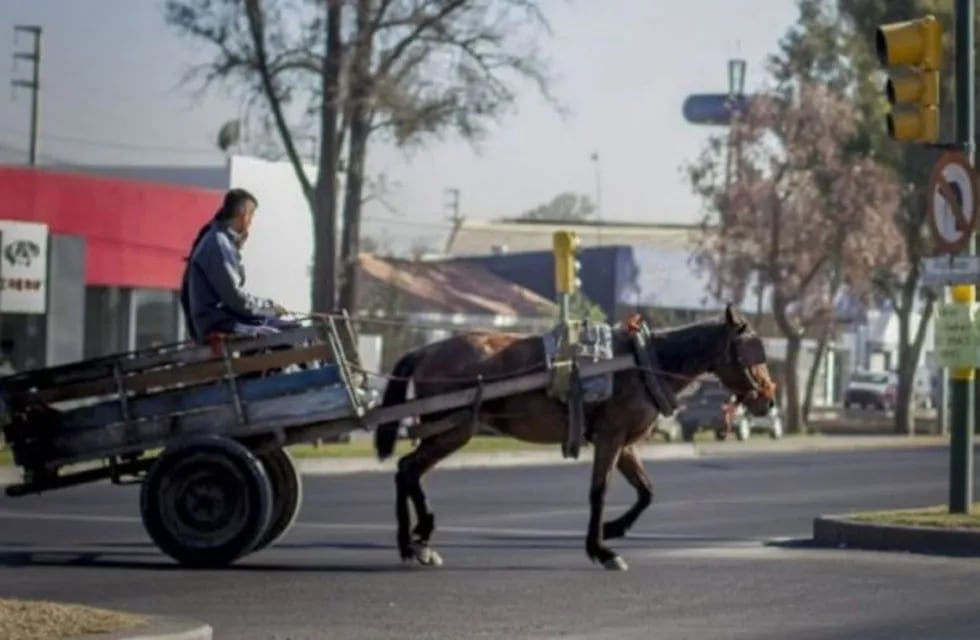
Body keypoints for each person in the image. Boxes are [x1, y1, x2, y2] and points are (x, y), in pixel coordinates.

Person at [180, 188, 298, 345]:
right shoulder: (218, 244)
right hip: (220, 324)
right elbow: (235, 298)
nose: (250, 223)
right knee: (286, 335)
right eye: (252, 216)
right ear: (244, 214)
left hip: (228, 319)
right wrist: (270, 308)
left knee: (290, 327)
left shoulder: (220, 241)